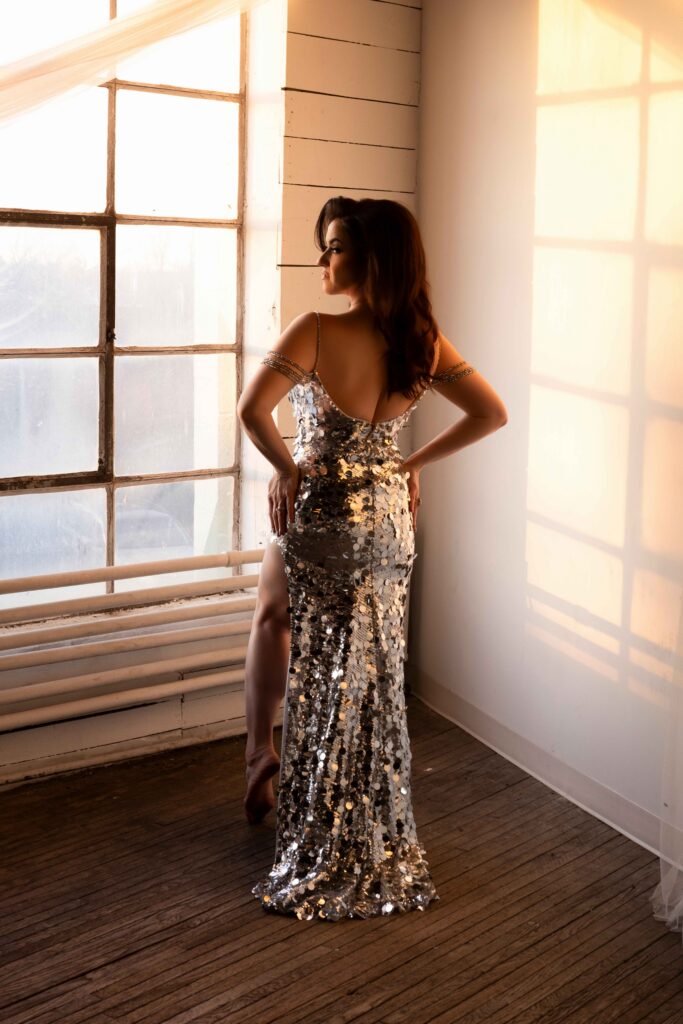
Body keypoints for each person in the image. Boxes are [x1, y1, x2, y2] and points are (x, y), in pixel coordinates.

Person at [237, 196, 508, 921]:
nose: (322, 261)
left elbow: (251, 412)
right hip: (388, 518)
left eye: (333, 249)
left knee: (279, 624)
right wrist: (406, 463)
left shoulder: (317, 329)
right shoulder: (420, 338)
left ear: (370, 258)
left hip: (321, 505)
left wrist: (288, 468)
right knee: (369, 662)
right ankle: (355, 807)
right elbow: (490, 413)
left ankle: (263, 756)